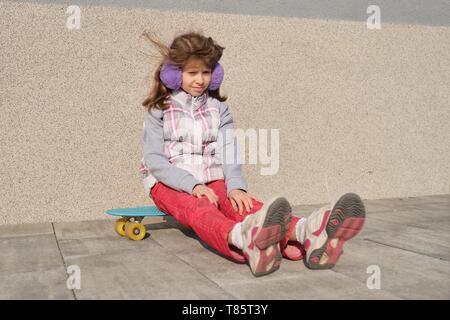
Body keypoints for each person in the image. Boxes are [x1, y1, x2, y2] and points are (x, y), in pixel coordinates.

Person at [139, 31, 366, 277]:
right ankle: (243, 238)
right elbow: (154, 160)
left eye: (206, 72)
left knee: (244, 205)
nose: (200, 80)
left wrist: (235, 186)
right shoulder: (160, 110)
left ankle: (306, 231)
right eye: (192, 72)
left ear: (215, 75)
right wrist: (192, 186)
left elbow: (228, 150)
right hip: (168, 182)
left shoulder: (219, 109)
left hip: (211, 177)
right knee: (201, 209)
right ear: (174, 74)